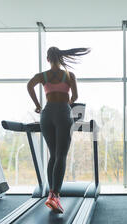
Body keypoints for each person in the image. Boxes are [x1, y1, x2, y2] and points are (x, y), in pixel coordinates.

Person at [27, 46, 90, 213]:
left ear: (48, 58)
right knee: (61, 155)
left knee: (53, 155)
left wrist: (38, 105)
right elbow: (75, 97)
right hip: (63, 112)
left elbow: (29, 86)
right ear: (61, 58)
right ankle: (55, 196)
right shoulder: (69, 76)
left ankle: (51, 194)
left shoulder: (43, 76)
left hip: (46, 113)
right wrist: (66, 105)